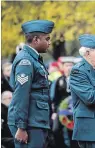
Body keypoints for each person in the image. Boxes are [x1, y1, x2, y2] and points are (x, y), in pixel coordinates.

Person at [7, 20, 54, 148]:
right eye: (47, 38)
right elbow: (21, 95)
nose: (49, 42)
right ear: (36, 40)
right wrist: (21, 127)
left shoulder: (34, 59)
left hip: (36, 120)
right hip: (29, 123)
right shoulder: (25, 61)